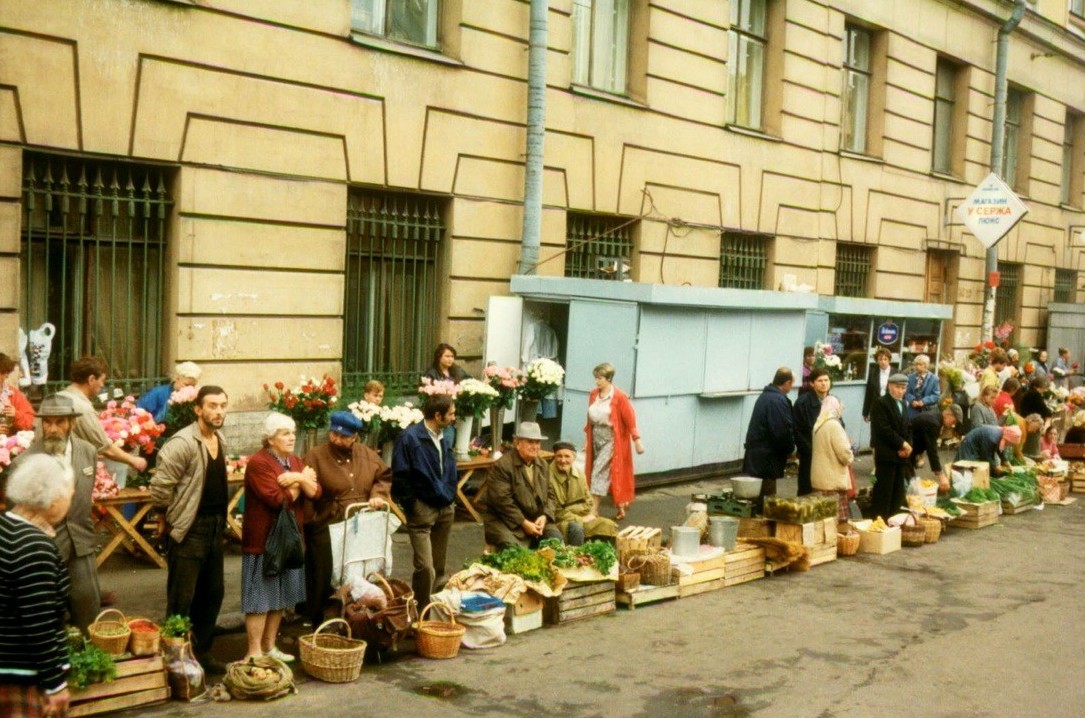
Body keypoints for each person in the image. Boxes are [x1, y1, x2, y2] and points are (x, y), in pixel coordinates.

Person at [150, 385, 230, 673]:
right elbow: (160, 487)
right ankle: (174, 661)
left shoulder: (220, 437)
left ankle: (202, 653)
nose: (218, 411)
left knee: (213, 593)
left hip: (215, 527)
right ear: (198, 409)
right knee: (182, 597)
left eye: (222, 405)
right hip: (189, 528)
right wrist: (164, 515)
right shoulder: (182, 442)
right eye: (212, 405)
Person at [241, 414, 320, 662]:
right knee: (259, 598)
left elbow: (316, 492)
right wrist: (302, 481)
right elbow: (278, 499)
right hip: (263, 541)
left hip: (290, 539)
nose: (292, 437)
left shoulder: (294, 461)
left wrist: (297, 478)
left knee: (279, 596)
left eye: (293, 432)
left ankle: (269, 647)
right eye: (285, 433)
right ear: (271, 439)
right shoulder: (259, 463)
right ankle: (253, 652)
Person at [0, 455, 74, 718]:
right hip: (23, 678)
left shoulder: (6, 525)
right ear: (53, 500)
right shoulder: (34, 545)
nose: (70, 500)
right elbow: (38, 623)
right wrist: (55, 684)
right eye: (70, 493)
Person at [302, 410, 391, 628]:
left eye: (344, 436)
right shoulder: (316, 455)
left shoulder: (367, 454)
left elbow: (384, 477)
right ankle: (318, 618)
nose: (337, 439)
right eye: (334, 434)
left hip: (360, 521)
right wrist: (310, 520)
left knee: (357, 570)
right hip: (328, 520)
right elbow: (307, 490)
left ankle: (356, 614)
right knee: (324, 570)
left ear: (355, 437)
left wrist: (377, 496)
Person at [19, 395, 100, 632]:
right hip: (44, 546)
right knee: (45, 613)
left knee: (88, 606)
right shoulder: (27, 461)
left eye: (60, 422)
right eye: (48, 422)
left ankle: (88, 659)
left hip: (81, 542)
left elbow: (85, 493)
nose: (53, 429)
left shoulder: (88, 452)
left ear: (72, 423)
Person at [391, 394, 458, 604]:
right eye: (451, 413)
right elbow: (400, 475)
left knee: (439, 567)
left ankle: (436, 609)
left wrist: (450, 497)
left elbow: (449, 468)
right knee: (425, 567)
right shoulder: (409, 438)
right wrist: (413, 505)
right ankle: (421, 610)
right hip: (422, 508)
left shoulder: (444, 436)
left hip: (445, 507)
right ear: (438, 416)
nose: (454, 417)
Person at [58, 356, 148, 475]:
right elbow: (105, 447)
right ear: (91, 379)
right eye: (102, 380)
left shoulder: (55, 398)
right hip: (69, 474)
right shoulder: (82, 407)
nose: (102, 385)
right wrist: (134, 460)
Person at [479, 422, 562, 550]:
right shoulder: (502, 466)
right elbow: (502, 502)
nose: (535, 447)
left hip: (535, 519)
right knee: (518, 553)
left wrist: (545, 515)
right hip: (505, 521)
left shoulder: (543, 465)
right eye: (530, 442)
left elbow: (551, 495)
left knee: (556, 542)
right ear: (517, 444)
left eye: (537, 442)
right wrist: (523, 523)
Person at [584, 362, 644, 521]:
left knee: (598, 471)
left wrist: (636, 440)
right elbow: (589, 419)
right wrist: (587, 441)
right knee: (609, 473)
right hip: (596, 435)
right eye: (596, 378)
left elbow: (630, 418)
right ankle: (621, 506)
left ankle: (594, 510)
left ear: (609, 378)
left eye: (600, 378)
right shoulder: (593, 394)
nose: (597, 381)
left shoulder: (619, 397)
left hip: (612, 438)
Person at [547, 441, 617, 545]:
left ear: (574, 458)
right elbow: (556, 511)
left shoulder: (580, 475)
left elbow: (589, 503)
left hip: (580, 516)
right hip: (560, 521)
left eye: (567, 456)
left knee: (608, 525)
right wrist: (580, 518)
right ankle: (577, 558)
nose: (563, 460)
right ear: (554, 457)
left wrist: (572, 510)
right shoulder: (548, 477)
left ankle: (600, 557)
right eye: (559, 456)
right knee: (576, 529)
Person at [742, 368, 796, 498]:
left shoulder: (766, 396)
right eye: (792, 384)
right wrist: (790, 449)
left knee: (757, 494)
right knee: (767, 496)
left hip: (759, 453)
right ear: (787, 383)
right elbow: (781, 431)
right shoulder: (777, 400)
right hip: (767, 456)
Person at [868, 373, 912, 521]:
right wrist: (902, 444)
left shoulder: (904, 404)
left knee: (898, 492)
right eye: (897, 387)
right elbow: (884, 429)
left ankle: (894, 521)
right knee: (884, 492)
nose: (900, 391)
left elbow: (907, 427)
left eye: (903, 388)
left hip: (901, 456)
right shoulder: (880, 403)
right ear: (889, 386)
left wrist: (908, 446)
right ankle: (880, 521)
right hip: (886, 453)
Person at [810, 395, 853, 522]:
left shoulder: (818, 423)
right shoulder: (834, 425)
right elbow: (844, 454)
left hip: (819, 479)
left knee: (821, 521)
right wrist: (850, 454)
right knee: (835, 523)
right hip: (832, 481)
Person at [792, 367, 830, 496]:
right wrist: (809, 449)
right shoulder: (803, 402)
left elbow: (840, 424)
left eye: (826, 380)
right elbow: (796, 430)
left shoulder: (832, 401)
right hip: (809, 453)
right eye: (820, 380)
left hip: (828, 453)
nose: (824, 383)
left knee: (825, 489)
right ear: (812, 383)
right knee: (807, 488)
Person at [910, 403, 962, 489]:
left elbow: (923, 439)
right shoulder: (933, 423)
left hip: (909, 453)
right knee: (909, 486)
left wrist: (918, 455)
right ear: (947, 414)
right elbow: (932, 451)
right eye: (953, 421)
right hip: (902, 453)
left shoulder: (935, 417)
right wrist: (941, 475)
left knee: (911, 484)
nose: (953, 425)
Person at [136, 361, 202, 423]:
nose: (189, 388)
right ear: (177, 379)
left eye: (193, 386)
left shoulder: (194, 398)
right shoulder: (157, 393)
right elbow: (140, 412)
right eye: (186, 385)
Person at [956, 424, 1021, 472]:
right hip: (969, 444)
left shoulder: (1002, 434)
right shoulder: (993, 437)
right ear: (1009, 438)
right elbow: (985, 455)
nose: (1010, 445)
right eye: (1011, 443)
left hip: (978, 445)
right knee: (966, 468)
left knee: (978, 468)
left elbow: (1000, 450)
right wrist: (995, 466)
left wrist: (1006, 462)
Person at [0, 352, 34, 434]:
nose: (5, 376)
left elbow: (30, 422)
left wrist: (16, 415)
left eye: (4, 373)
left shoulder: (13, 394)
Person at [904, 354, 940, 419]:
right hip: (912, 411)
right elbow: (906, 392)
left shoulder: (934, 379)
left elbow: (936, 395)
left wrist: (924, 401)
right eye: (916, 364)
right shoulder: (910, 377)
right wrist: (912, 400)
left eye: (920, 364)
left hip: (927, 411)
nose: (917, 366)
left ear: (926, 365)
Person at [862, 348, 893, 423]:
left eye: (885, 359)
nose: (883, 362)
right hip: (876, 408)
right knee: (875, 432)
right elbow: (868, 393)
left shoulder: (896, 373)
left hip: (891, 408)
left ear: (889, 360)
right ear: (877, 361)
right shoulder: (873, 373)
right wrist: (865, 412)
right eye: (880, 359)